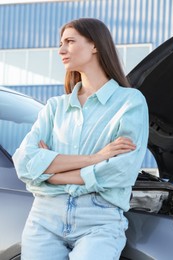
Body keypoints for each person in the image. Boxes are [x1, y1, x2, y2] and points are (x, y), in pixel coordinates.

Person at [12, 18, 149, 260]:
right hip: (44, 218)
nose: (61, 50)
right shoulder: (55, 107)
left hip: (99, 220)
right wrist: (95, 158)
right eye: (61, 43)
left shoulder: (130, 101)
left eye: (69, 41)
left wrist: (51, 174)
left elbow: (121, 171)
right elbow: (24, 162)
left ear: (95, 45)